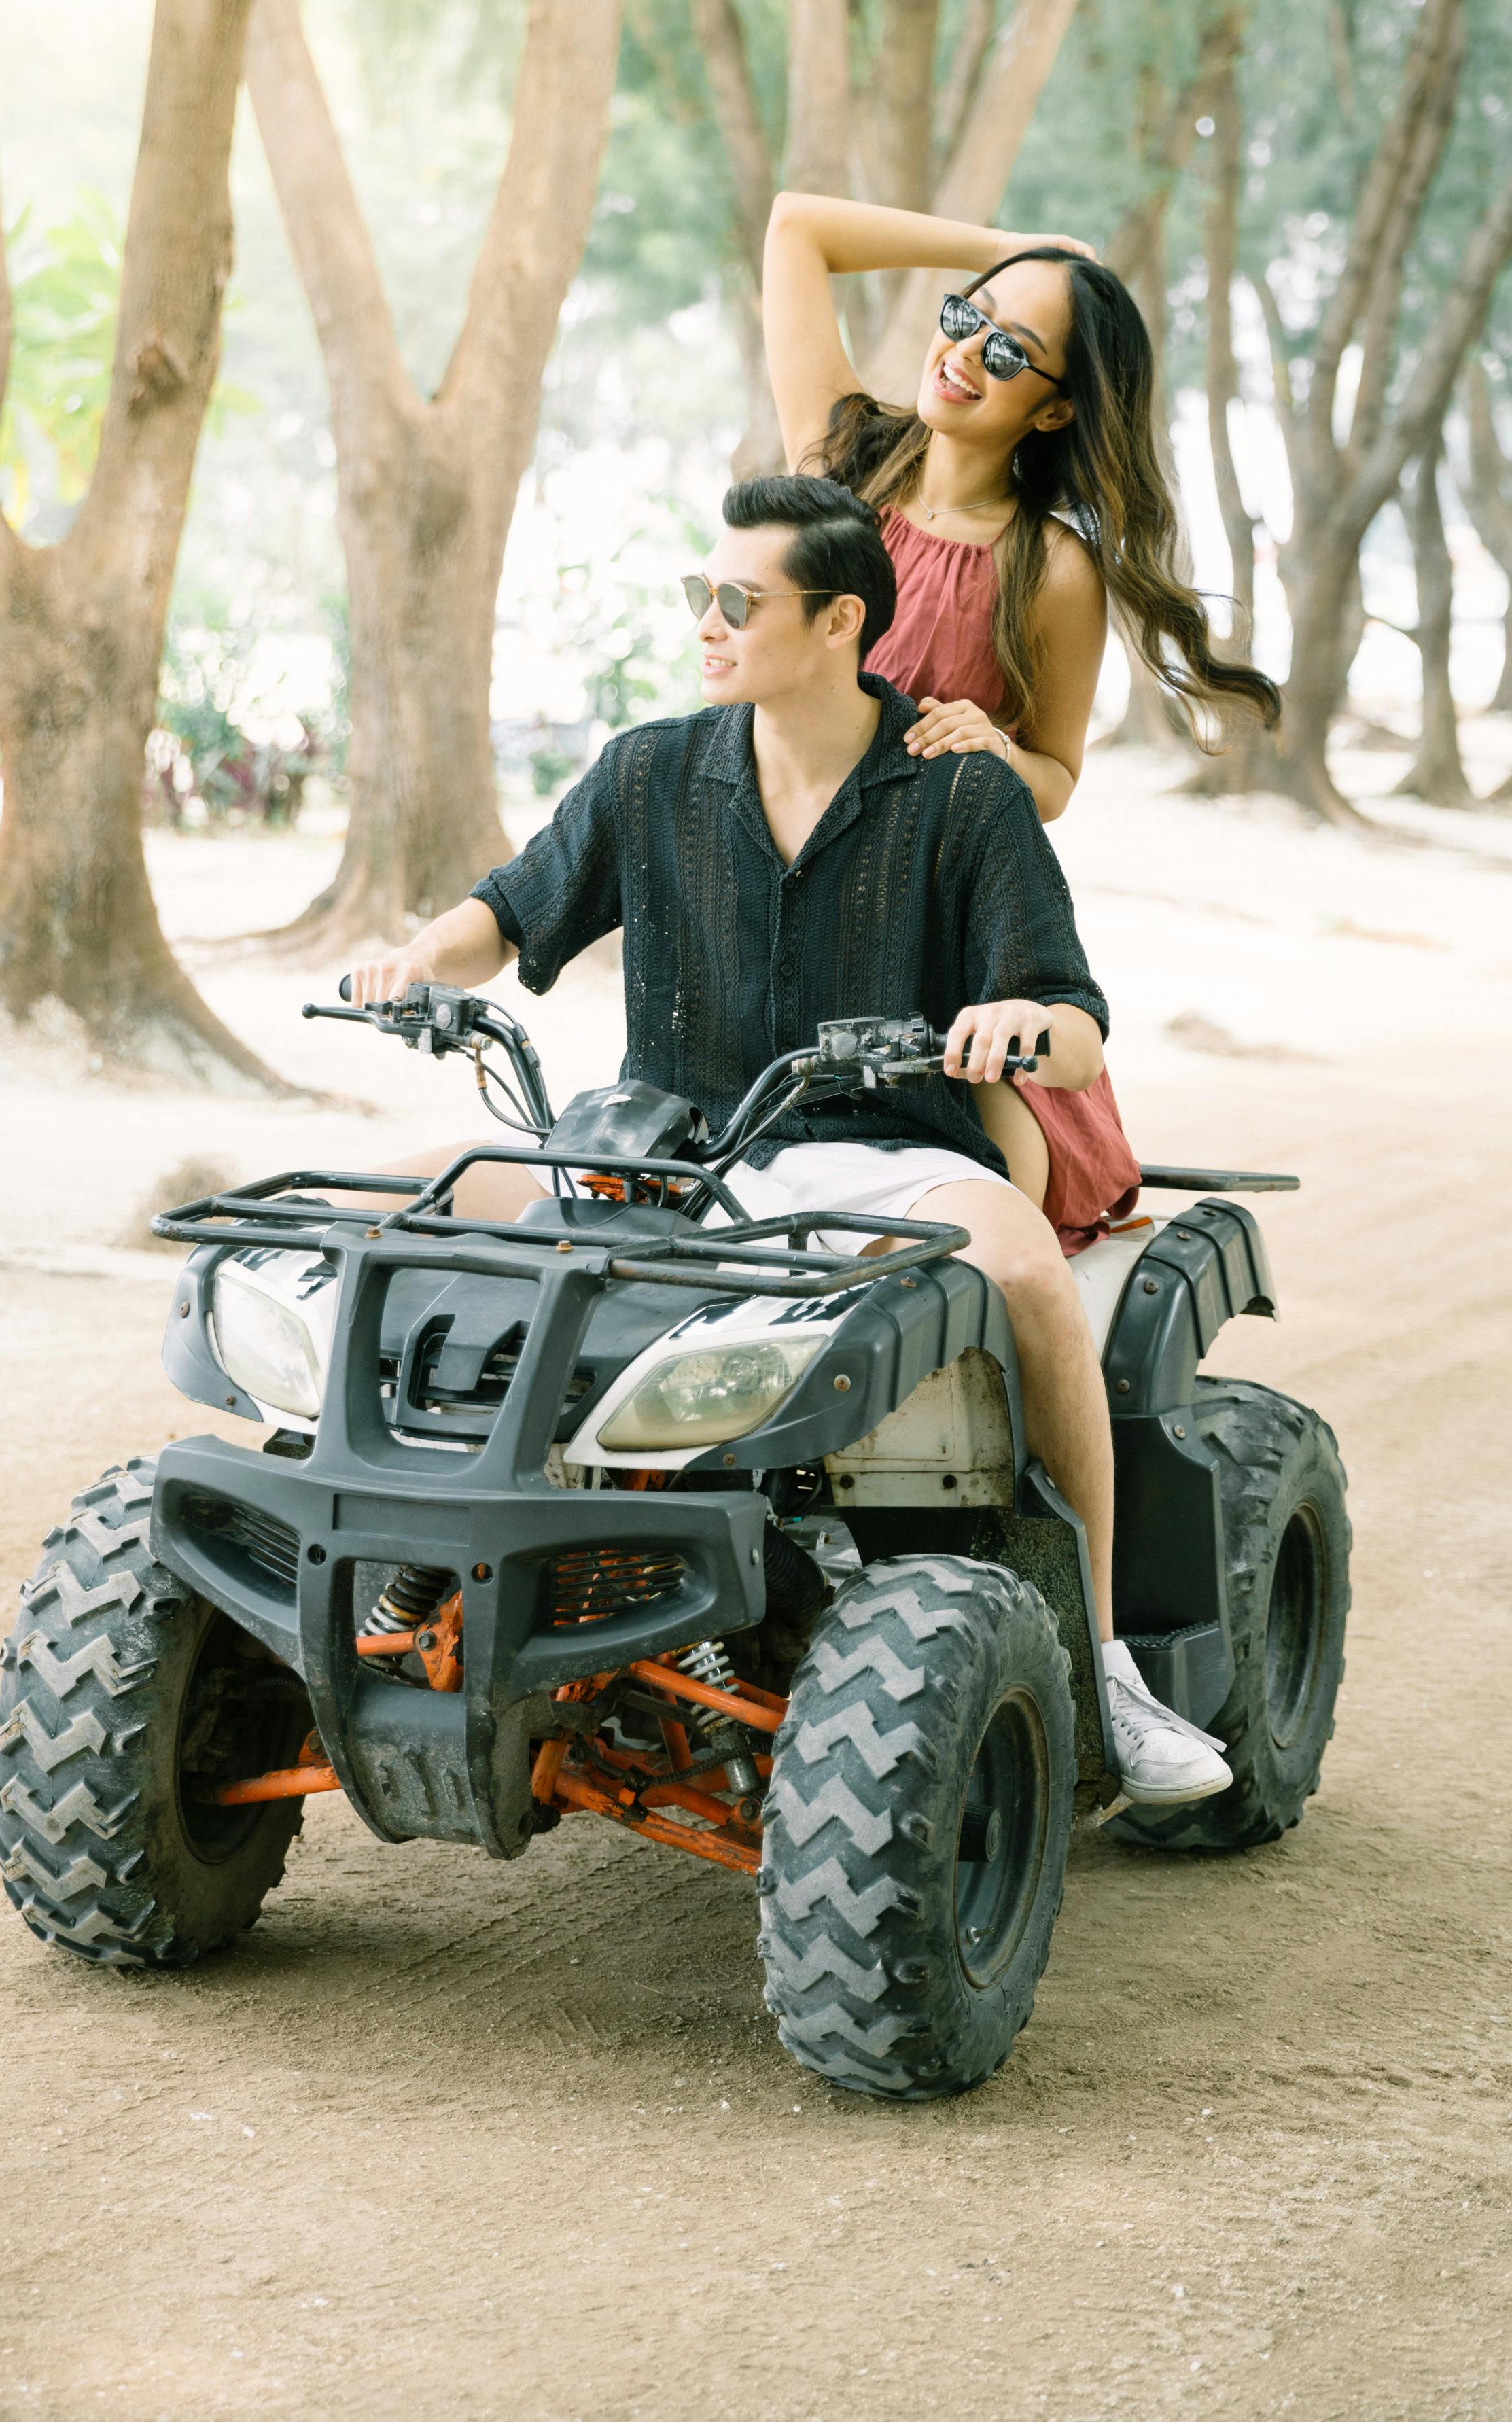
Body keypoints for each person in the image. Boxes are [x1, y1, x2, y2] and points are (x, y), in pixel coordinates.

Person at [351, 473, 1230, 1807]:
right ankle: (428, 1550)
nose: (705, 622)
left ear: (837, 621)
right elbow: (513, 906)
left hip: (881, 1144)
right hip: (665, 1151)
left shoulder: (958, 792)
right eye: (699, 595)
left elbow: (1076, 1025)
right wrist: (422, 959)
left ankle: (1101, 1658)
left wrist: (1011, 1023)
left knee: (1033, 1276)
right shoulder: (650, 768)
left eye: (735, 601)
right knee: (419, 1215)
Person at [761, 192, 1282, 1254]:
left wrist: (999, 750)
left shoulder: (1051, 568)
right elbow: (795, 228)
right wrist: (1014, 251)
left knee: (974, 1246)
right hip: (778, 924)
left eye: (1011, 353)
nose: (965, 355)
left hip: (944, 965)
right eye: (966, 319)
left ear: (1053, 409)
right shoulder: (841, 467)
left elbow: (1055, 775)